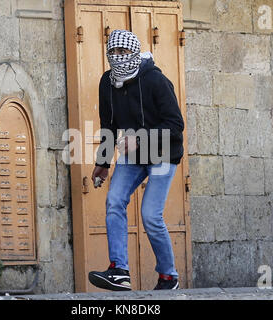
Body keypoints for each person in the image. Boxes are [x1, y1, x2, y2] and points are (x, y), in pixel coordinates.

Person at [89, 30, 184, 291]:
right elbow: (108, 125)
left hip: (164, 153)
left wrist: (140, 139)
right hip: (133, 155)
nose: (118, 57)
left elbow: (176, 126)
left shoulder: (155, 80)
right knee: (114, 200)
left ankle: (168, 276)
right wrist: (103, 162)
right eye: (114, 52)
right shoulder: (107, 82)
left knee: (150, 214)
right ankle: (119, 270)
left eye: (124, 52)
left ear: (134, 52)